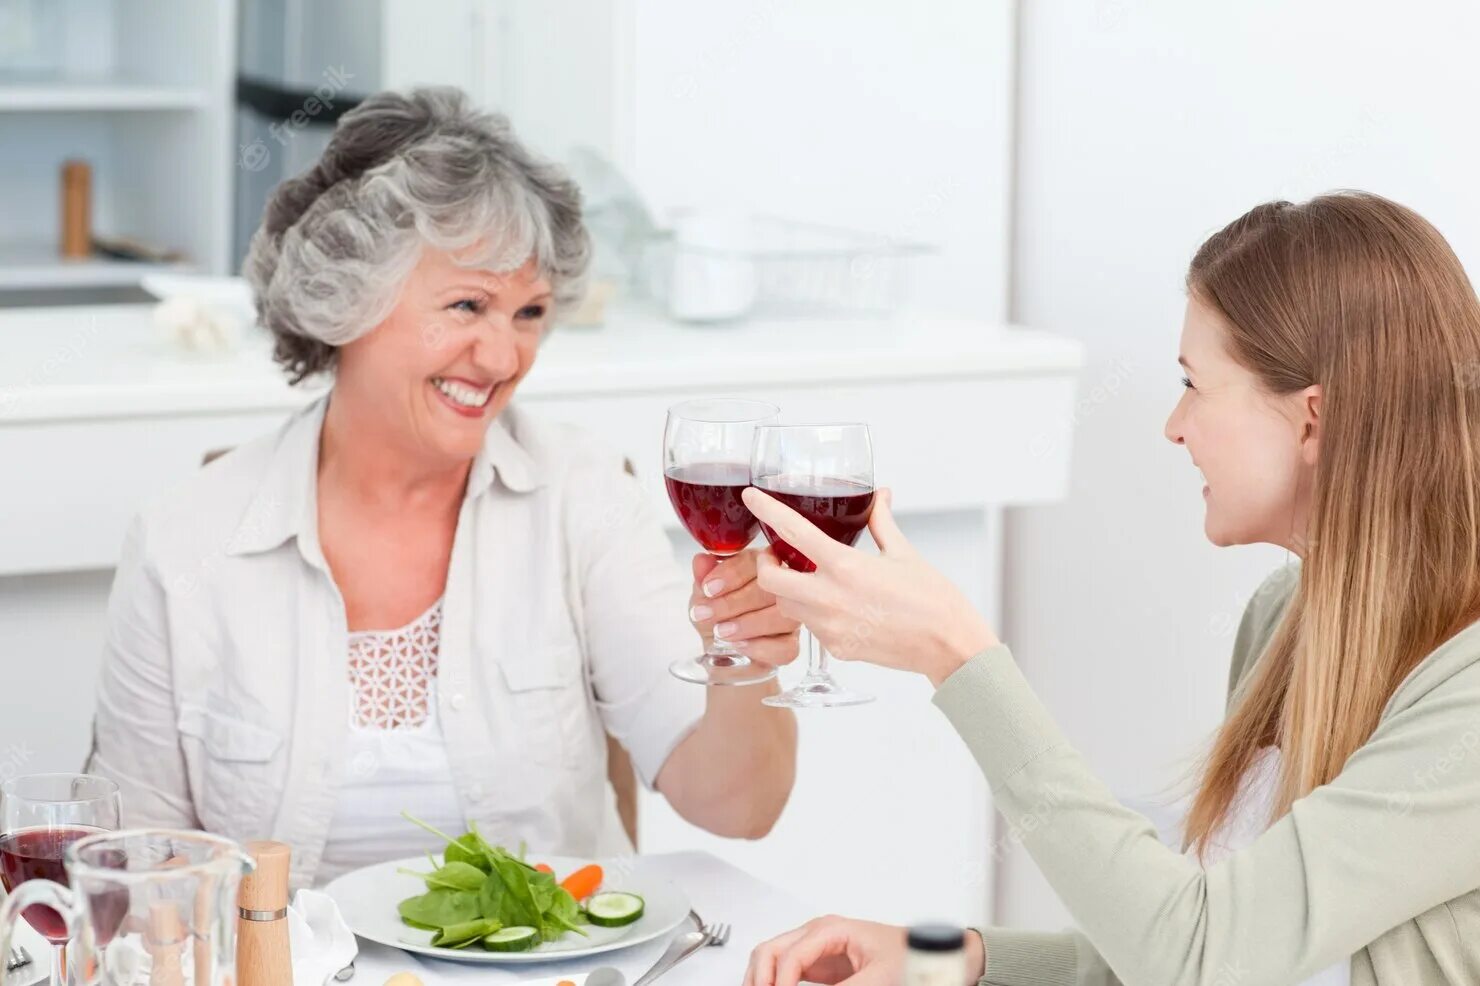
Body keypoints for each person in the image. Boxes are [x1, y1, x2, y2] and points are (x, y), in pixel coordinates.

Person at [742, 192, 1480, 986]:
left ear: (1311, 421)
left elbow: (1196, 957)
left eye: (1195, 384)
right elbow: (1187, 942)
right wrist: (947, 959)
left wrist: (958, 658)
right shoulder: (1283, 616)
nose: (1174, 425)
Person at [86, 87, 800, 889]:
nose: (501, 359)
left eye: (529, 313)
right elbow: (131, 876)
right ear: (347, 300)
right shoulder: (185, 541)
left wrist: (747, 656)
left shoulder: (583, 499)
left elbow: (740, 808)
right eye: (468, 305)